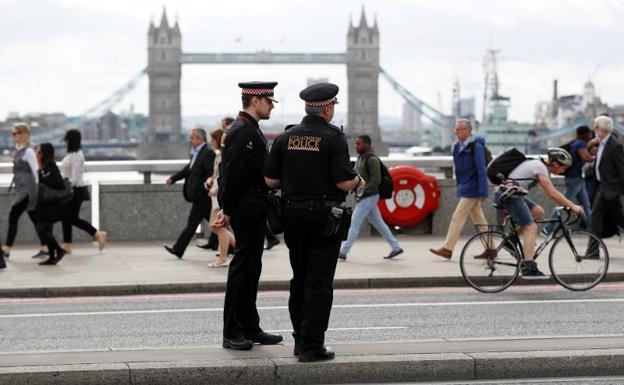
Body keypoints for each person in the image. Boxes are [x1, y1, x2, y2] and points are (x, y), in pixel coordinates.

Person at [264, 82, 364, 362]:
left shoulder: (286, 137)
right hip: (323, 219)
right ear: (328, 108)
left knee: (300, 279)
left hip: (292, 217)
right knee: (319, 282)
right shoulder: (333, 138)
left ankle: (299, 340)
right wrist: (360, 179)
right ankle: (312, 345)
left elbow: (270, 180)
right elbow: (344, 182)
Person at [213, 81, 283, 350]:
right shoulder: (243, 132)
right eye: (269, 102)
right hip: (245, 207)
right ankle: (232, 331)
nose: (271, 108)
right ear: (255, 100)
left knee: (251, 269)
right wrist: (227, 210)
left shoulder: (246, 129)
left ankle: (250, 327)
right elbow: (233, 175)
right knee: (242, 270)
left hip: (251, 206)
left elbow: (230, 173)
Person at [493, 148, 582, 277]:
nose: (563, 171)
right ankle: (529, 267)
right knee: (531, 227)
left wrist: (567, 204)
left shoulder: (538, 165)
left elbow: (552, 193)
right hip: (509, 195)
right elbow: (552, 193)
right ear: (556, 163)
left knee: (538, 212)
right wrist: (572, 206)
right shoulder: (540, 167)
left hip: (511, 193)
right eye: (563, 168)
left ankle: (511, 241)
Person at [430, 119, 489, 259]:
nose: (456, 132)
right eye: (455, 129)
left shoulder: (476, 147)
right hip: (466, 185)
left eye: (459, 129)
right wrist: (459, 187)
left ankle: (448, 248)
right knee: (479, 219)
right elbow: (459, 170)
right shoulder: (457, 147)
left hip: (473, 187)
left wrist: (483, 191)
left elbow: (481, 170)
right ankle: (491, 247)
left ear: (467, 131)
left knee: (457, 217)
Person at [338, 134, 403, 260]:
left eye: (359, 144)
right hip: (365, 197)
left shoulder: (372, 159)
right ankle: (396, 247)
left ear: (367, 145)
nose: (356, 146)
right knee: (379, 223)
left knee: (354, 223)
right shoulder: (361, 158)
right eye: (356, 144)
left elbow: (376, 180)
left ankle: (343, 251)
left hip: (369, 197)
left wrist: (361, 191)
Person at [164, 128, 216, 259]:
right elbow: (189, 169)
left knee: (192, 224)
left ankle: (178, 249)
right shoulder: (196, 153)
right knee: (216, 223)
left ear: (200, 139)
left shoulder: (207, 153)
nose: (190, 140)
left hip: (203, 196)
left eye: (192, 138)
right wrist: (174, 178)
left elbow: (211, 173)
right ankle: (231, 246)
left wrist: (203, 190)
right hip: (200, 197)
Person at [2, 123, 48, 259]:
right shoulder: (18, 150)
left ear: (24, 134)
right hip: (21, 188)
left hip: (28, 191)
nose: (14, 136)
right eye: (12, 134)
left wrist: (38, 192)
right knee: (35, 219)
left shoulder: (28, 151)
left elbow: (36, 172)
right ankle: (46, 247)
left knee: (13, 215)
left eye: (16, 133)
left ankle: (7, 249)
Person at [60, 129, 107, 253]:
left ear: (70, 140)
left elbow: (75, 177)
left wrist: (66, 188)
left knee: (72, 218)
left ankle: (97, 234)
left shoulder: (76, 155)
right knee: (66, 217)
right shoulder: (72, 154)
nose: (64, 141)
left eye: (66, 138)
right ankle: (67, 245)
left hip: (75, 190)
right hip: (71, 189)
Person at [543, 126, 594, 235]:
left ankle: (593, 229)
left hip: (576, 179)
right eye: (589, 134)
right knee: (562, 204)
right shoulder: (580, 143)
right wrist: (596, 155)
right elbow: (586, 158)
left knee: (586, 206)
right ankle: (548, 229)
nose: (590, 136)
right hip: (574, 179)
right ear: (584, 134)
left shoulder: (574, 143)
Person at [588, 115, 624, 240]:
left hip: (610, 188)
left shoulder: (615, 145)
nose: (593, 129)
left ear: (601, 128)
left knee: (595, 216)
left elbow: (622, 169)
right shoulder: (601, 143)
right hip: (602, 186)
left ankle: (592, 251)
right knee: (619, 218)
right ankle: (593, 250)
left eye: (595, 126)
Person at [205, 128, 235, 268]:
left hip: (219, 195)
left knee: (218, 226)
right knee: (216, 226)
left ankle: (222, 258)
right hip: (216, 194)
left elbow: (225, 175)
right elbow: (217, 174)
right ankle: (240, 249)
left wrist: (216, 188)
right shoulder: (219, 154)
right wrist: (210, 180)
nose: (211, 142)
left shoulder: (223, 155)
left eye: (212, 140)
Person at [35, 143, 67, 266]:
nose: (37, 154)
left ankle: (59, 251)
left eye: (39, 152)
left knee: (42, 229)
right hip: (43, 203)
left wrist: (43, 178)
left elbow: (59, 183)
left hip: (51, 204)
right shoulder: (43, 166)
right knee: (46, 230)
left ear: (44, 153)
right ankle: (52, 257)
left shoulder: (51, 166)